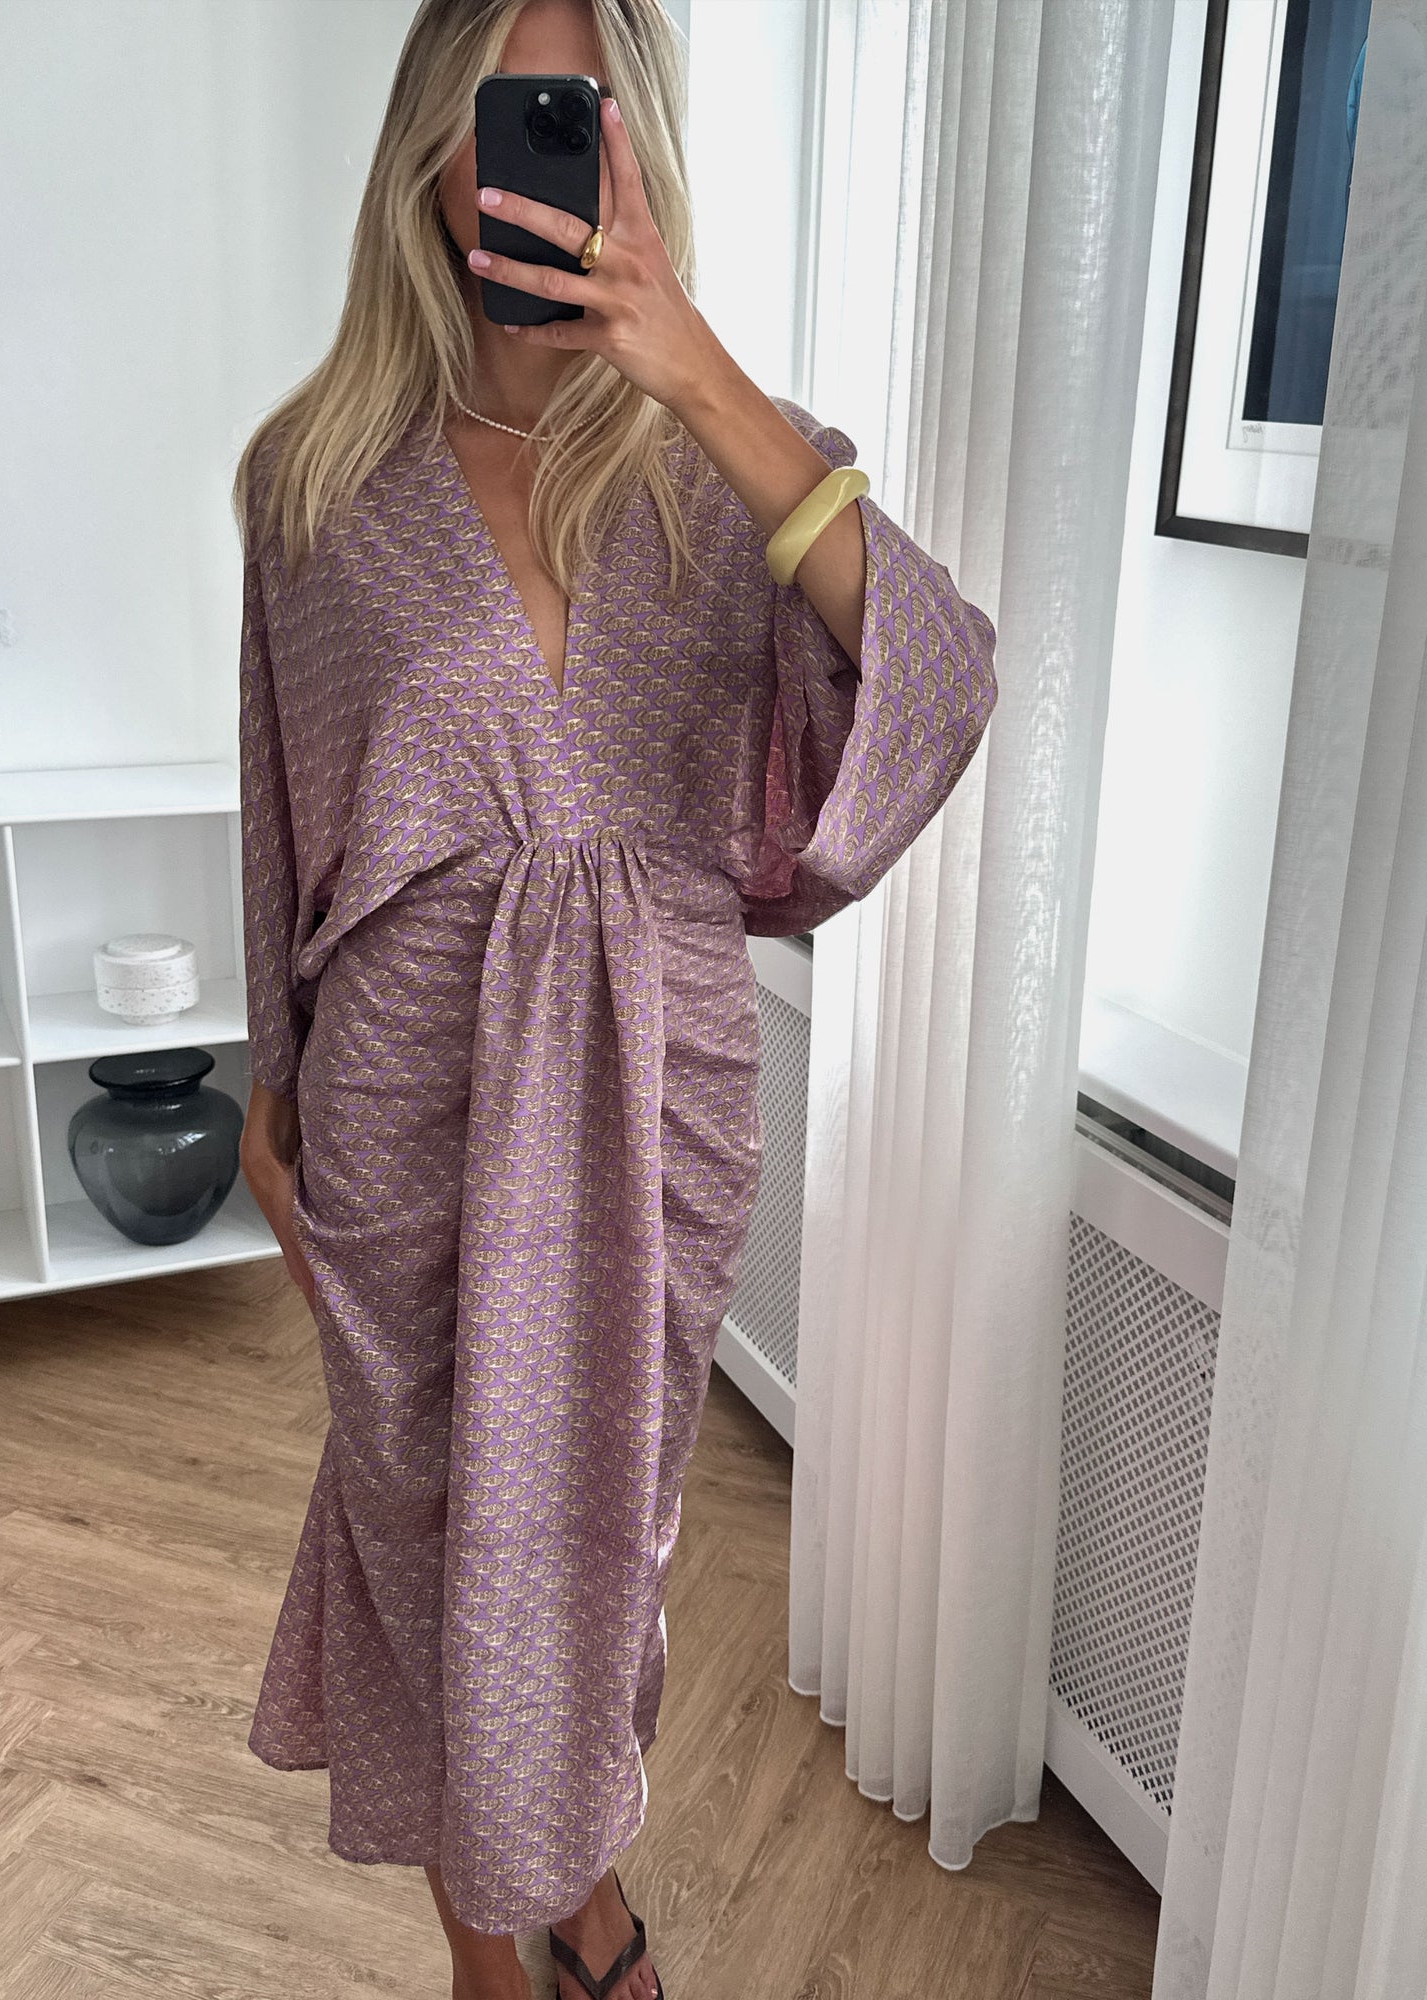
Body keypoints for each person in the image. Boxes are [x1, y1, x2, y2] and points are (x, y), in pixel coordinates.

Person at [232, 1, 999, 1996]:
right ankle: (512, 1958)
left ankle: (578, 1897)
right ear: (429, 145)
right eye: (499, 111)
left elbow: (940, 680)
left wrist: (698, 370)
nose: (529, 161)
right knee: (420, 1534)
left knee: (592, 1544)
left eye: (569, 114)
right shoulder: (311, 478)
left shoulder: (731, 472)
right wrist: (271, 1079)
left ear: (631, 141)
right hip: (403, 1093)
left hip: (654, 1089)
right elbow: (284, 804)